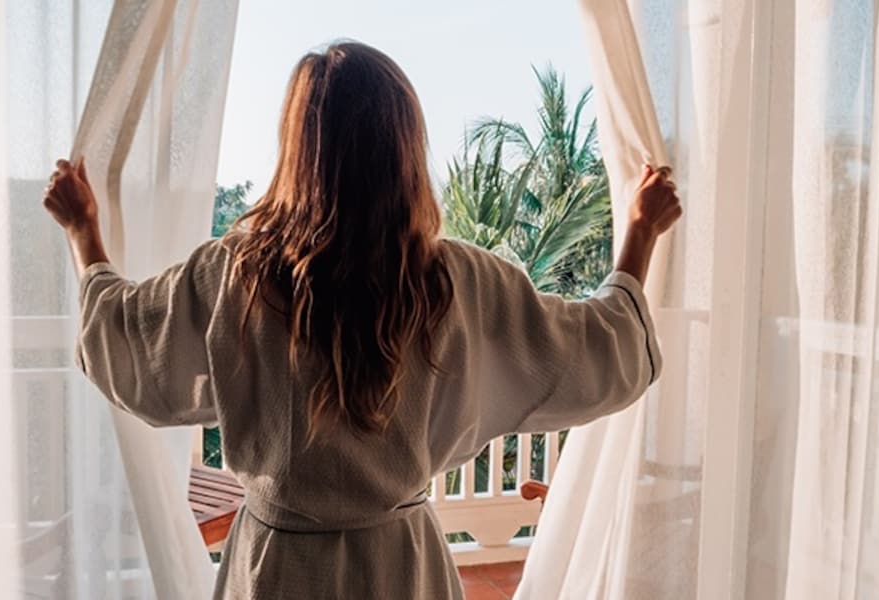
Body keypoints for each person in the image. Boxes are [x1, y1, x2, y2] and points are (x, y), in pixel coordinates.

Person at [43, 41, 680, 600]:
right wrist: (640, 234)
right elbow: (598, 349)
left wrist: (83, 234)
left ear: (297, 148)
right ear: (404, 148)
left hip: (276, 568)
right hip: (400, 566)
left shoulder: (235, 275)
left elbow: (123, 339)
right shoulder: (457, 282)